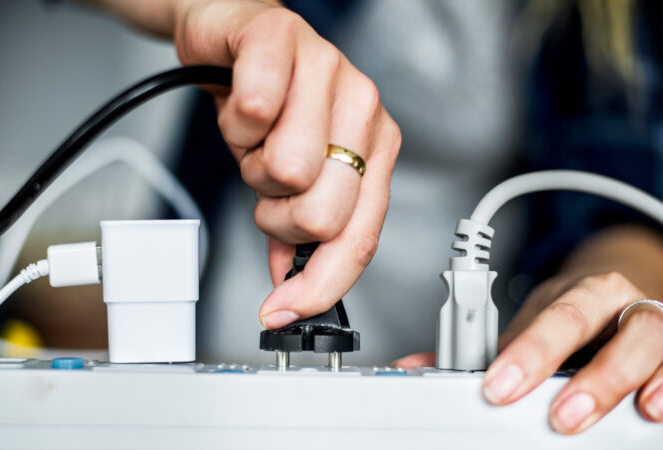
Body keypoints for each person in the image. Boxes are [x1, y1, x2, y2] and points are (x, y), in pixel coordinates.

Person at [83, 0, 663, 434]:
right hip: (218, 384)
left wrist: (615, 294)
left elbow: (620, 206)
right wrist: (206, 7)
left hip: (469, 412)